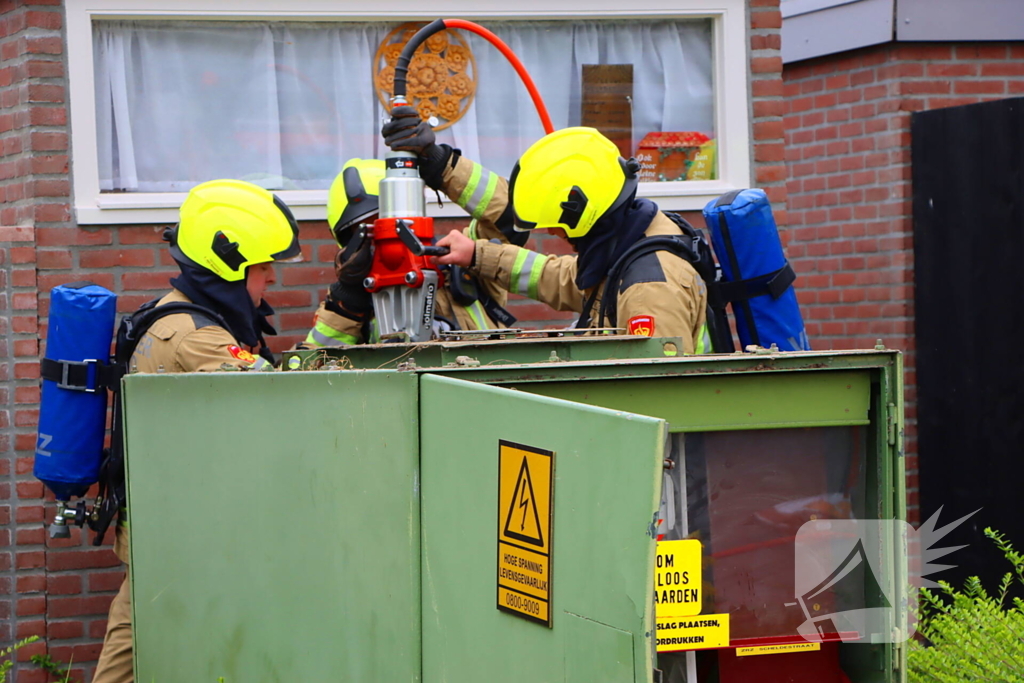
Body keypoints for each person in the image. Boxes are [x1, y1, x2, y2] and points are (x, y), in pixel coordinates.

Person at [91, 179, 303, 683]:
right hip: (182, 528)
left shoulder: (173, 313)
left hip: (161, 517)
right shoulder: (201, 339)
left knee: (134, 633)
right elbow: (286, 406)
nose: (271, 277)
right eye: (262, 267)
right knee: (151, 639)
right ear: (228, 267)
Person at [434, 127, 711, 355]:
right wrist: (476, 255)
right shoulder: (628, 244)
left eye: (556, 224)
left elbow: (658, 396)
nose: (553, 233)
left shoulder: (648, 290)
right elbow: (560, 277)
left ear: (582, 213)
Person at [303, 150, 524, 346]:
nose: (387, 238)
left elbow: (509, 212)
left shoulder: (465, 259)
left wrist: (443, 165)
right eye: (372, 231)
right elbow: (311, 372)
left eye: (392, 223)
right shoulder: (354, 306)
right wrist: (348, 303)